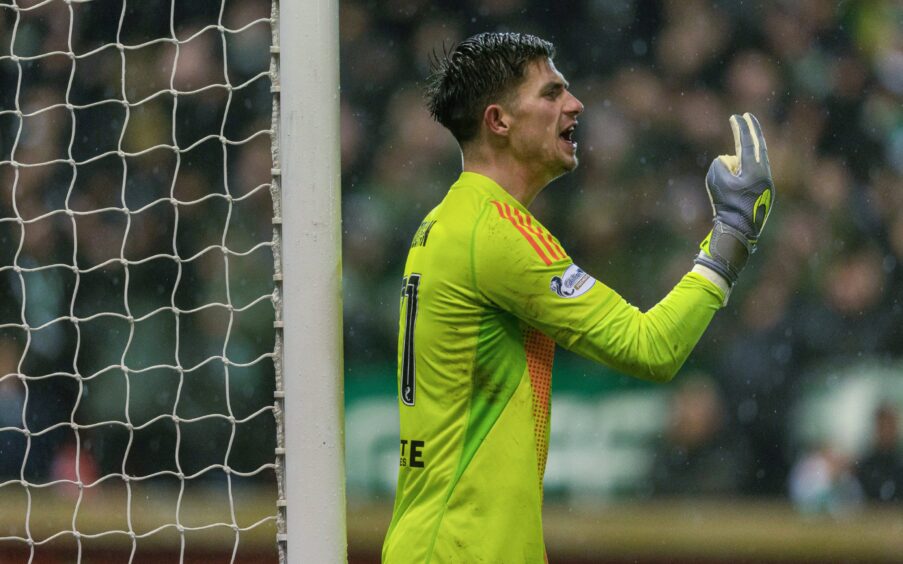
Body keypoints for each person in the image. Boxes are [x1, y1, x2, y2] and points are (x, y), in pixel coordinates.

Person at [382, 32, 774, 563]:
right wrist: (731, 236)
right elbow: (651, 347)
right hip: (466, 550)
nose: (575, 104)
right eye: (550, 93)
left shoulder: (449, 222)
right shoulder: (494, 232)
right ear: (498, 120)